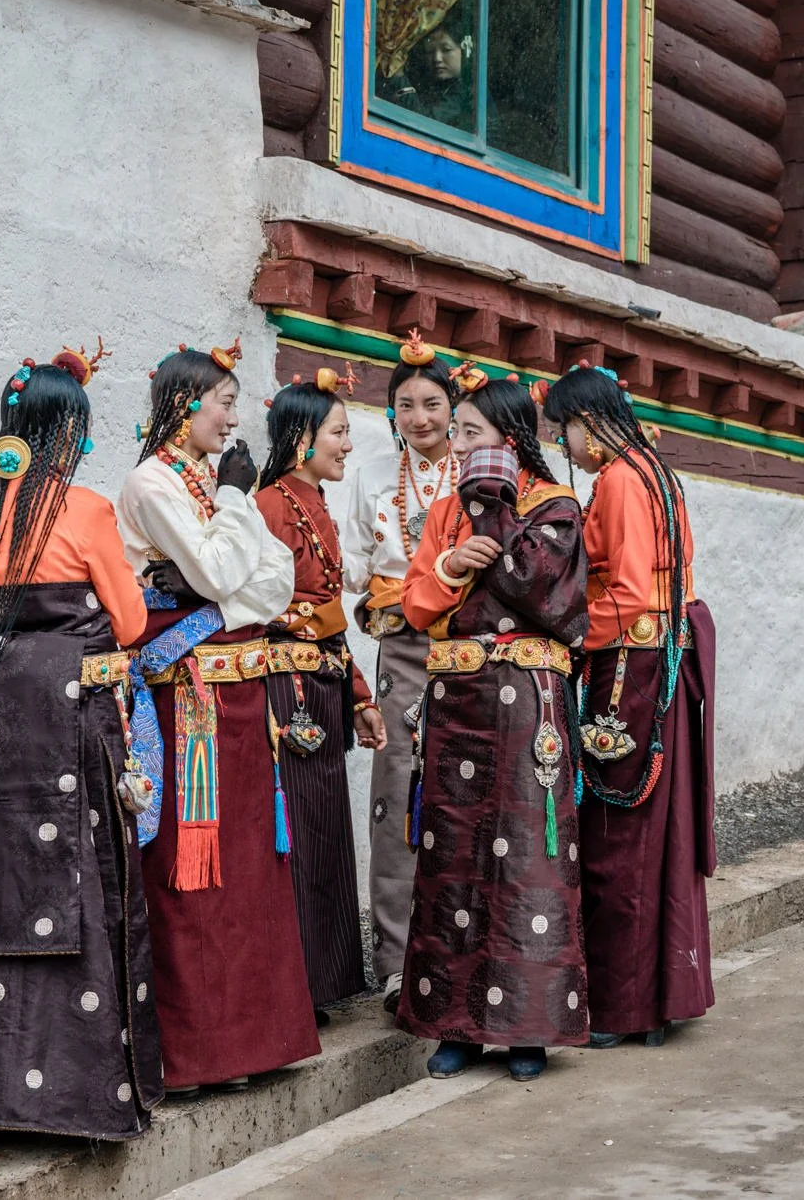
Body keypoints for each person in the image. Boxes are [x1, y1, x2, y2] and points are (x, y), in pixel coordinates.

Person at [0, 341, 166, 1141]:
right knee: (83, 880)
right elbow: (131, 625)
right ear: (69, 432)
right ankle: (77, 1092)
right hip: (73, 717)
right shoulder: (86, 509)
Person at [115, 341, 320, 1091]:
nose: (236, 419)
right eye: (226, 401)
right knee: (190, 867)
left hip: (238, 691)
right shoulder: (151, 485)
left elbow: (278, 579)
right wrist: (235, 516)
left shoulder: (208, 480)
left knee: (245, 869)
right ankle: (198, 1052)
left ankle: (251, 1045)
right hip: (189, 701)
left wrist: (228, 579)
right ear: (184, 404)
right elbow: (220, 572)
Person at [398, 370, 591, 1083]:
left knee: (523, 859)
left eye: (470, 432)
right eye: (458, 432)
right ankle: (456, 1026)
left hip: (523, 703)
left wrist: (499, 518)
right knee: (454, 855)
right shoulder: (448, 512)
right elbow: (416, 605)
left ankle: (526, 1028)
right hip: (458, 706)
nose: (458, 443)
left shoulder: (556, 507)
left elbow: (548, 594)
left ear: (510, 439)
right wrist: (450, 562)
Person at [542, 365, 717, 1050]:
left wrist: (568, 633)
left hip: (629, 669)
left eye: (568, 429)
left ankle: (623, 1005)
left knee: (620, 835)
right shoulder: (657, 471)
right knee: (656, 831)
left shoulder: (617, 478)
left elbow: (633, 589)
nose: (568, 443)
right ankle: (658, 999)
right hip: (661, 662)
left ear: (592, 420)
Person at [255, 368, 387, 1018]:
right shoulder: (270, 505)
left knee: (329, 835)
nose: (346, 445)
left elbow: (329, 611)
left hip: (326, 686)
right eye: (338, 432)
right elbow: (268, 608)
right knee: (299, 838)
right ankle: (294, 985)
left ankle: (327, 983)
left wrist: (360, 697)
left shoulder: (318, 505)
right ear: (302, 437)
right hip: (288, 691)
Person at [341, 331, 460, 1014]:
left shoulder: (476, 463)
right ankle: (395, 957)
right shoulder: (373, 473)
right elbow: (354, 560)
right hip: (401, 649)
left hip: (465, 645)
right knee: (396, 789)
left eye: (432, 403)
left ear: (453, 406)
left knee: (464, 787)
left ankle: (460, 941)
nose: (420, 417)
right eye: (406, 404)